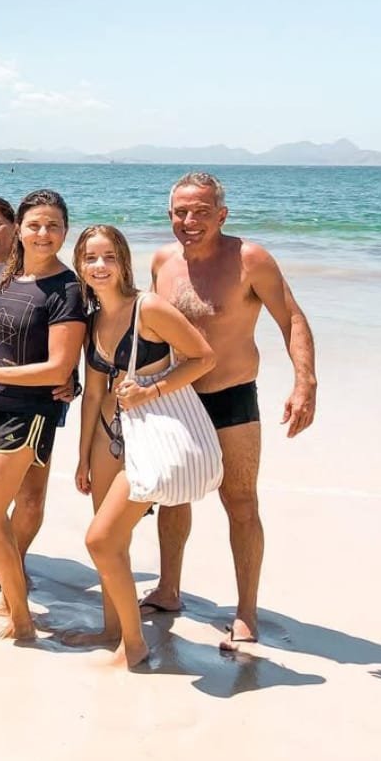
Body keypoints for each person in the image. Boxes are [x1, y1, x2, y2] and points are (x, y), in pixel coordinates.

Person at [140, 172, 317, 650]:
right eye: (181, 211)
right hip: (176, 396)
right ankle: (168, 588)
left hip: (233, 396)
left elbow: (292, 317)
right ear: (169, 215)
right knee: (174, 495)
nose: (189, 220)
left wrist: (305, 382)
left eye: (201, 211)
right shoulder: (162, 261)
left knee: (240, 501)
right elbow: (149, 328)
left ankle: (246, 612)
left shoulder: (250, 259)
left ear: (222, 214)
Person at [0, 190, 87, 640]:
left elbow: (59, 367)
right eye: (35, 225)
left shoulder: (68, 289)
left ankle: (21, 619)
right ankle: (8, 595)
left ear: (65, 231)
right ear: (21, 230)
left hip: (29, 412)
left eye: (54, 226)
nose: (44, 234)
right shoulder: (0, 277)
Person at [71, 225, 216, 667]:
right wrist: (81, 457)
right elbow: (95, 393)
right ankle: (112, 629)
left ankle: (134, 646)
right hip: (107, 437)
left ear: (123, 262)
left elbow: (203, 357)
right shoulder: (94, 318)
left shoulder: (148, 308)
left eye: (109, 257)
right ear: (79, 264)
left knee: (100, 540)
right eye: (90, 257)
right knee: (114, 542)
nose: (99, 266)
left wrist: (152, 390)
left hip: (149, 435)